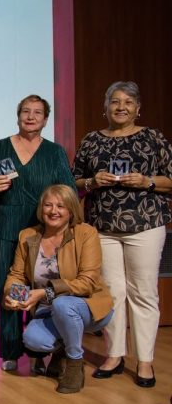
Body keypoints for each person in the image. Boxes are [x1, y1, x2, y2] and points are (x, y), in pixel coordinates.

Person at [73, 81, 171, 387]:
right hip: (102, 227)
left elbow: (170, 178)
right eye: (114, 101)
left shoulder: (153, 137)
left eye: (128, 102)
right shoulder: (92, 140)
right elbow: (74, 181)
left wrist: (146, 182)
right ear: (105, 107)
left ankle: (145, 361)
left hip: (145, 224)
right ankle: (114, 355)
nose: (121, 107)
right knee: (112, 292)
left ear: (138, 108)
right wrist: (92, 181)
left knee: (143, 292)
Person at [0, 95, 76, 371]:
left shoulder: (55, 152)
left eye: (37, 113)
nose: (31, 117)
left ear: (46, 119)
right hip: (7, 227)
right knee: (11, 288)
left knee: (41, 289)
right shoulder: (0, 148)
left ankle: (39, 351)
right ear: (18, 115)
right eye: (25, 111)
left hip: (45, 231)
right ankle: (10, 350)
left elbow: (68, 192)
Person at [4, 185, 114, 393]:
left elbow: (87, 281)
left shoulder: (86, 233)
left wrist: (44, 293)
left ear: (71, 210)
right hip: (48, 311)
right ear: (41, 209)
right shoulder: (28, 235)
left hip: (89, 307)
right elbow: (17, 275)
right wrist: (14, 294)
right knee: (33, 340)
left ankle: (74, 363)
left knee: (62, 304)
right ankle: (62, 347)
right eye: (48, 205)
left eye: (61, 206)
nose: (53, 211)